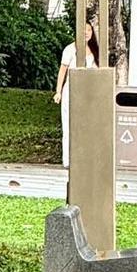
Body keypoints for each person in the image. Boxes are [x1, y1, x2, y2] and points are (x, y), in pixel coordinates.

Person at [54, 18, 100, 167]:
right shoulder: (70, 49)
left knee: (88, 125)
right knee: (69, 124)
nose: (86, 33)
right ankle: (68, 159)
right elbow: (63, 71)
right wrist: (58, 92)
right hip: (71, 91)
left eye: (89, 30)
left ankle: (85, 157)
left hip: (89, 93)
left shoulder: (95, 50)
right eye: (83, 30)